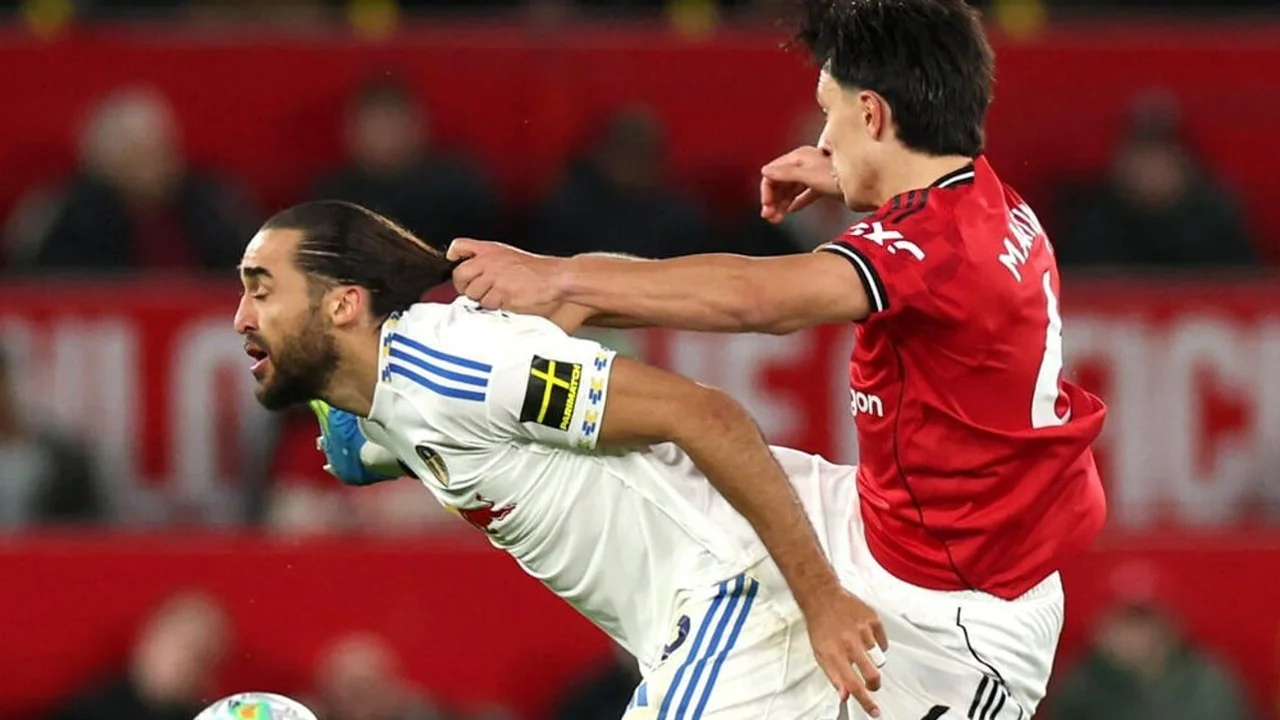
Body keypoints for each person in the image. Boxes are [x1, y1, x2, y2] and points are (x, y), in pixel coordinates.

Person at [445, 0, 1107, 717]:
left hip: (954, 619)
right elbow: (924, 226)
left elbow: (757, 301)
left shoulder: (933, 248)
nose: (822, 136)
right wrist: (854, 172)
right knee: (655, 459)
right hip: (897, 529)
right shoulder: (989, 201)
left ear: (873, 115)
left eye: (830, 112)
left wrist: (561, 278)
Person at [233, 200, 890, 719]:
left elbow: (706, 416)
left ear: (344, 304)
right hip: (758, 586)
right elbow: (391, 440)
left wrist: (822, 600)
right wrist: (361, 452)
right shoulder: (392, 400)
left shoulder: (458, 369)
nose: (240, 317)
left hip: (741, 591)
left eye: (262, 291)